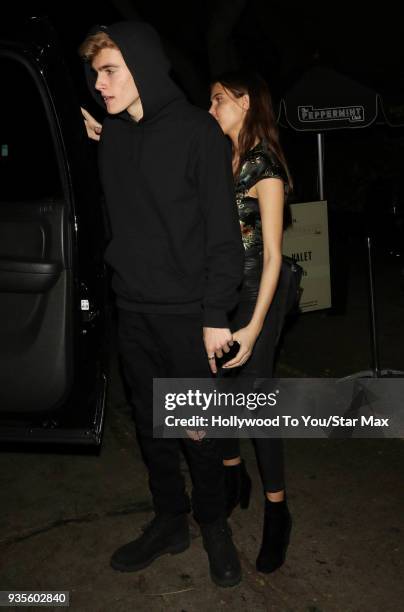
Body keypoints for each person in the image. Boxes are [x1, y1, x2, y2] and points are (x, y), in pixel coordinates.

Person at [78, 21, 245, 588]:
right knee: (153, 429)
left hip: (187, 314)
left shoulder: (200, 133)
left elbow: (224, 237)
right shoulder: (117, 138)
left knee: (198, 430)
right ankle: (169, 520)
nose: (98, 84)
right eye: (96, 73)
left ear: (143, 66)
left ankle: (214, 524)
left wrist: (214, 315)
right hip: (134, 309)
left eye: (109, 71)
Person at [209, 72, 293, 574]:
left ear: (243, 101)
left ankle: (279, 511)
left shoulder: (265, 165)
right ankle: (232, 475)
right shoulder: (224, 159)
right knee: (218, 387)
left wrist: (255, 326)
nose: (213, 107)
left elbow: (274, 257)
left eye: (218, 99)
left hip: (261, 290)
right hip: (223, 289)